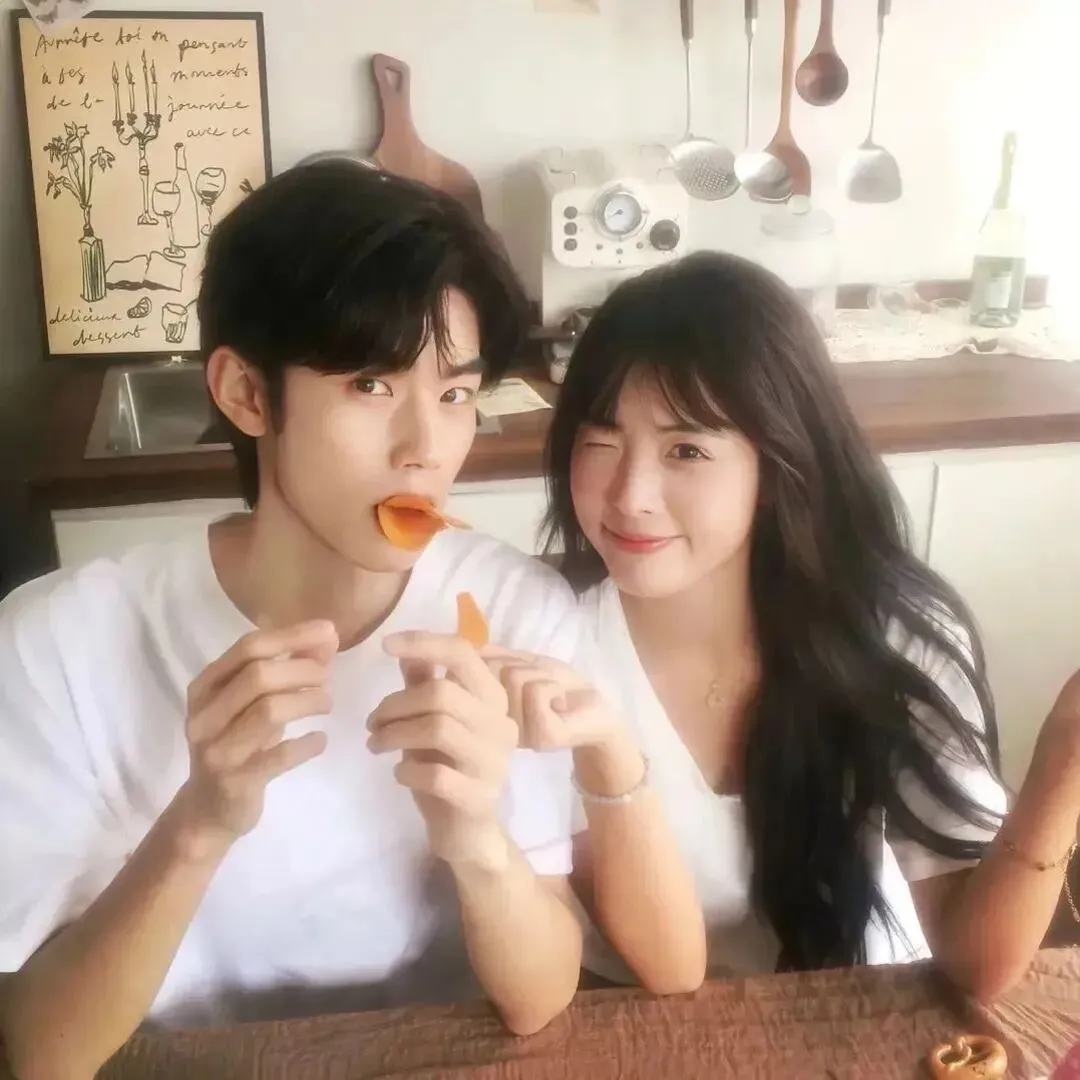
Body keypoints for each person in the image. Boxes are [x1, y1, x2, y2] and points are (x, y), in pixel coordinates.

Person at [0, 162, 702, 1079]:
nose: (426, 450)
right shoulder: (57, 645)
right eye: (371, 386)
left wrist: (476, 840)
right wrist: (198, 825)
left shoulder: (510, 611)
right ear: (247, 394)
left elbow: (538, 1001)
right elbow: (44, 1053)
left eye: (454, 395)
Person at [541, 250, 1080, 1001]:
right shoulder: (548, 636)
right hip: (629, 1014)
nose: (631, 495)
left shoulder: (893, 633)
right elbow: (633, 963)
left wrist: (1065, 753)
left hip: (847, 999)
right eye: (600, 441)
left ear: (777, 464)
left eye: (686, 449)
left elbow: (974, 966)